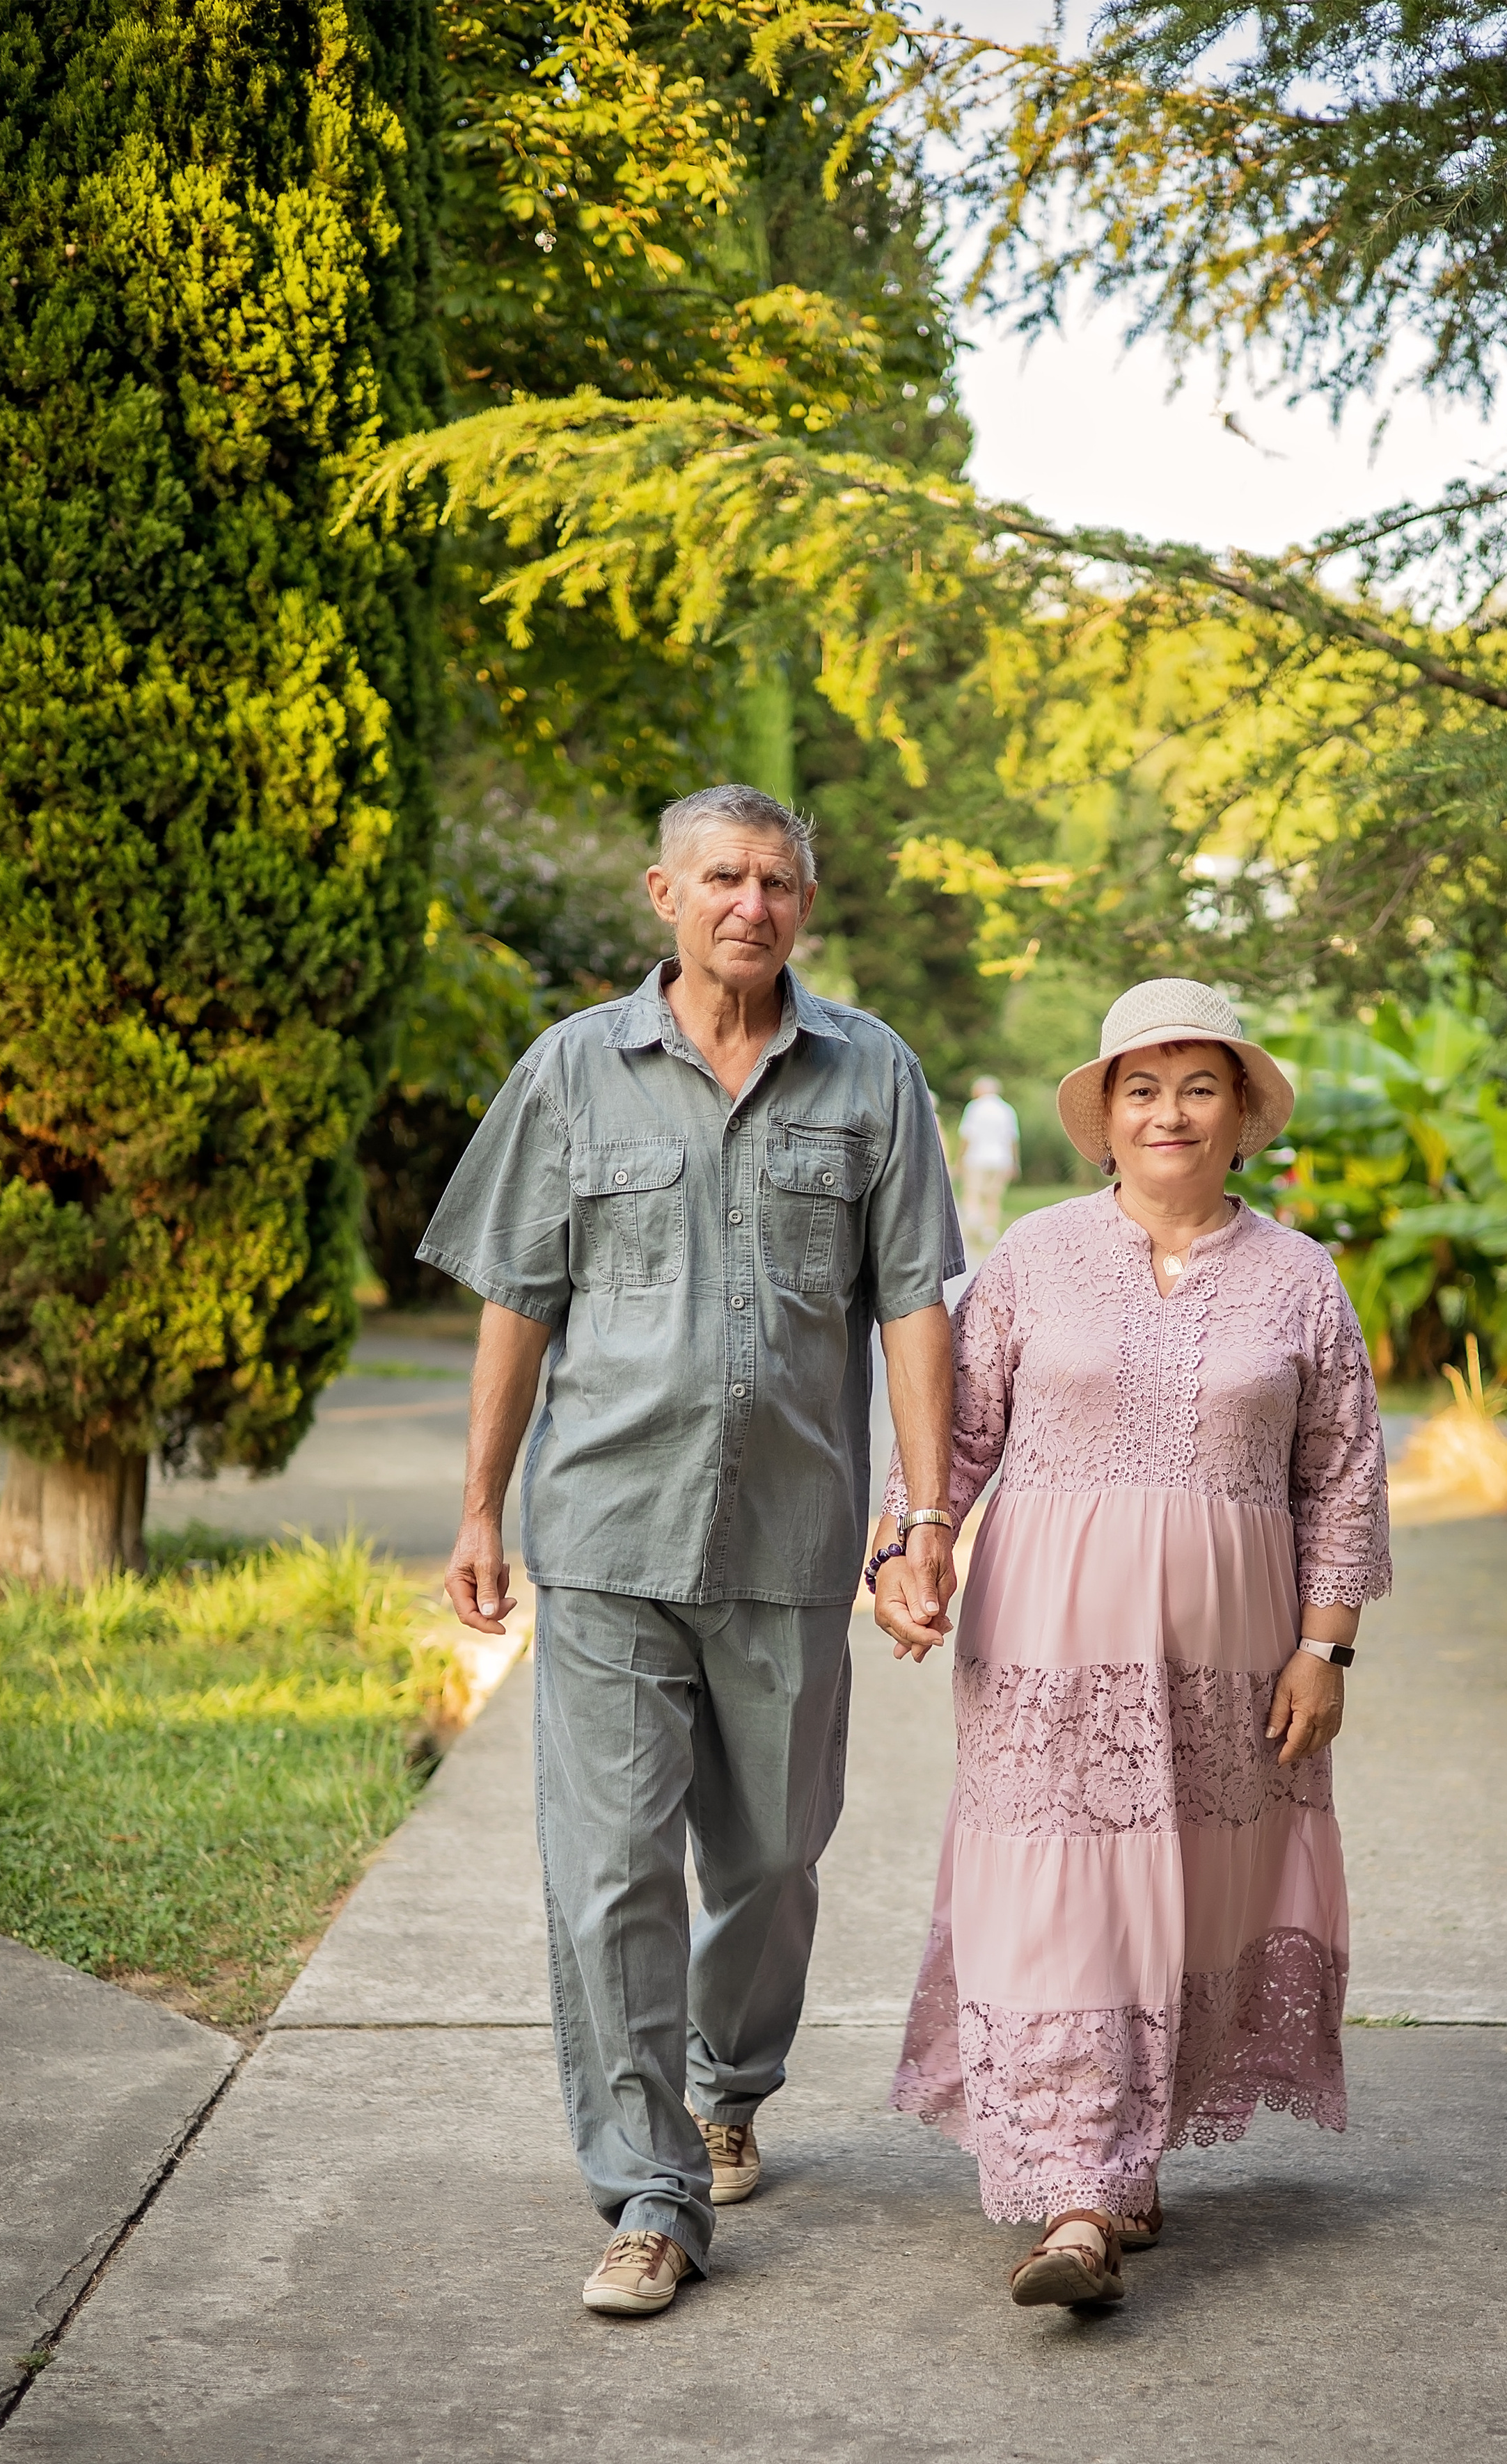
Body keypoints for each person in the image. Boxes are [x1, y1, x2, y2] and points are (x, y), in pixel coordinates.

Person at [421, 784, 963, 2320]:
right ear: (663, 894)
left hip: (789, 1540)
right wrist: (479, 1505)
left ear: (806, 900)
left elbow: (916, 1301)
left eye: (776, 880)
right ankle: (647, 2191)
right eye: (720, 877)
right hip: (604, 1531)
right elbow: (517, 1295)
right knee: (609, 1875)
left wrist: (922, 1523)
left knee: (773, 1860)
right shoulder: (573, 1073)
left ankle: (732, 2079)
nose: (749, 904)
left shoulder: (873, 1079)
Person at [875, 978, 1391, 2308]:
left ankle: (1123, 2151)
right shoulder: (1033, 1260)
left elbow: (1341, 1474)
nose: (1169, 1111)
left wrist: (1324, 1649)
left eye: (1198, 1085)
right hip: (1043, 1647)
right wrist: (907, 1549)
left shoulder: (1300, 1280)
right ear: (1103, 1116)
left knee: (1187, 1899)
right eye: (1141, 1088)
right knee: (1057, 1901)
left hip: (1233, 1660)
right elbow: (961, 1438)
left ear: (1241, 1116)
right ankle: (1078, 2204)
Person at [956, 1074, 1020, 1253]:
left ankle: (975, 1217)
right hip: (1001, 1159)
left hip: (976, 1157)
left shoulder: (974, 1108)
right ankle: (989, 1230)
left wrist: (960, 1159)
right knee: (994, 1197)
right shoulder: (1006, 1109)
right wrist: (1015, 1163)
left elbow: (967, 1135)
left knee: (972, 1192)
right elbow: (1012, 1138)